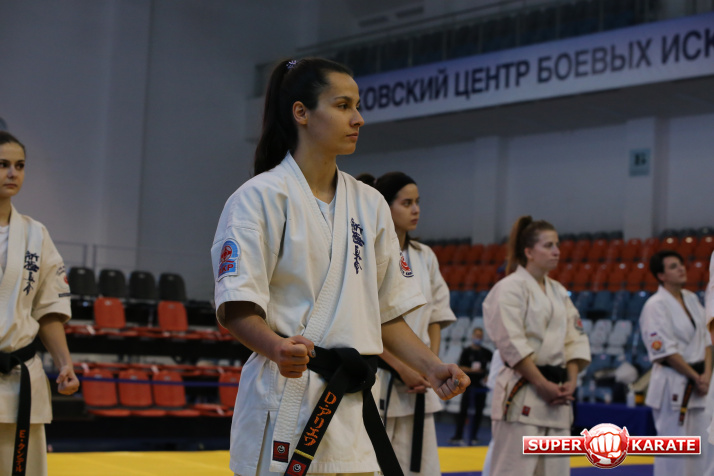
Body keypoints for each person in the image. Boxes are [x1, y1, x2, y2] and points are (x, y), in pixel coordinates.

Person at [211, 58, 469, 476]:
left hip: (353, 408)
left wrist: (431, 366)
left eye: (357, 106)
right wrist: (276, 347)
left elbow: (385, 314)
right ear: (302, 112)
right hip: (288, 398)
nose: (359, 118)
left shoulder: (370, 204)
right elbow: (237, 307)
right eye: (343, 105)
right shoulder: (258, 199)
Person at [483, 216, 590, 476]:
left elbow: (575, 340)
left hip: (558, 398)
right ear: (529, 252)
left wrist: (571, 381)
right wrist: (542, 384)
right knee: (513, 471)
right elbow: (511, 343)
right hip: (524, 391)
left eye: (557, 245)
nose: (557, 251)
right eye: (548, 245)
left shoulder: (559, 292)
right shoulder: (508, 289)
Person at [0, 131, 79, 476]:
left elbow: (49, 311)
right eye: (3, 164)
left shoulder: (36, 234)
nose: (12, 173)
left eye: (19, 166)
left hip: (19, 376)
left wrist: (65, 364)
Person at [371, 171, 456, 475]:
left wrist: (429, 365)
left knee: (423, 469)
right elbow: (368, 322)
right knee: (377, 466)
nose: (416, 209)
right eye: (406, 203)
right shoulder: (369, 253)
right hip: (381, 377)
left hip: (420, 381)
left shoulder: (425, 256)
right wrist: (402, 367)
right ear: (385, 206)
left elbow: (436, 317)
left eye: (417, 202)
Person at [640, 250, 712, 476]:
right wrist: (695, 376)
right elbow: (666, 351)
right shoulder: (655, 305)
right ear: (661, 275)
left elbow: (707, 339)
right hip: (673, 382)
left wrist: (707, 375)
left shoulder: (691, 299)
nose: (681, 268)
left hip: (701, 385)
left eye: (681, 264)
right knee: (674, 450)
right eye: (673, 266)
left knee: (701, 448)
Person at [449, 327, 492, 446]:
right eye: (476, 335)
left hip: (481, 387)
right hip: (468, 386)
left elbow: (494, 365)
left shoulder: (486, 352)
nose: (478, 338)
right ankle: (458, 435)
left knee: (478, 412)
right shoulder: (466, 351)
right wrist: (472, 370)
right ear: (472, 336)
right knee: (463, 411)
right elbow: (460, 367)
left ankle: (474, 436)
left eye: (480, 336)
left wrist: (488, 376)